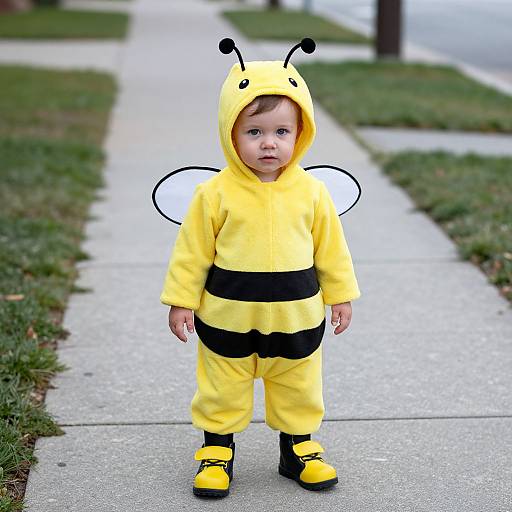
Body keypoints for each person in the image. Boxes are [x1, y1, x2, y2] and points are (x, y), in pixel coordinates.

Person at [160, 56, 360, 498]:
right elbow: (191, 253)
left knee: (298, 386)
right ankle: (216, 452)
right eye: (254, 132)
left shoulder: (312, 192)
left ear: (300, 133)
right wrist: (181, 300)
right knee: (221, 388)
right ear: (230, 134)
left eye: (281, 132)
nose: (268, 144)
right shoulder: (213, 194)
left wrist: (340, 295)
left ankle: (298, 450)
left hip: (296, 321)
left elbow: (332, 250)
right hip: (228, 319)